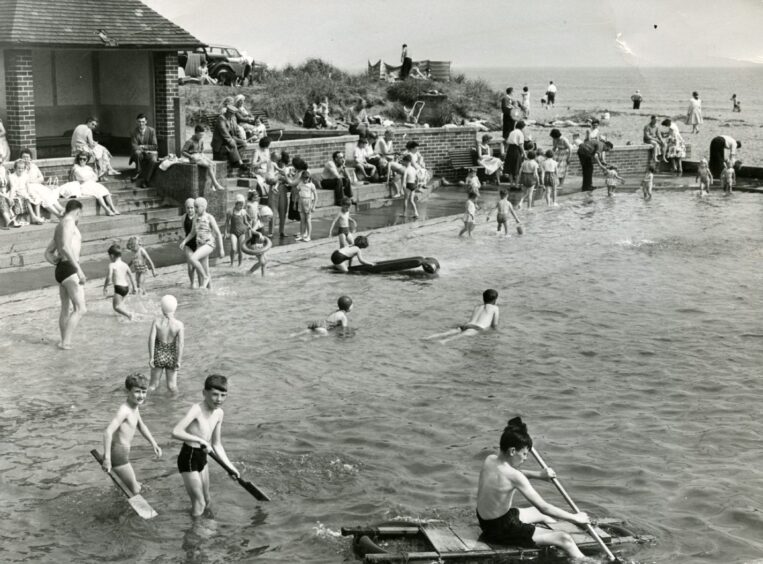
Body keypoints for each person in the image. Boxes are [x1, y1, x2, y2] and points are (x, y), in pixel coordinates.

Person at [475, 417, 590, 559]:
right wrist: (575, 518)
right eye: (524, 454)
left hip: (487, 522)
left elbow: (508, 475)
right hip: (501, 531)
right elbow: (544, 507)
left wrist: (539, 475)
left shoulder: (490, 460)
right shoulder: (515, 476)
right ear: (512, 451)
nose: (525, 458)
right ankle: (586, 558)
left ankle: (551, 538)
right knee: (564, 539)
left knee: (540, 515)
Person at [171, 374, 239, 517]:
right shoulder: (196, 409)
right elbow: (176, 432)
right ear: (204, 393)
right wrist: (200, 440)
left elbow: (217, 444)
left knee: (207, 500)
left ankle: (203, 523)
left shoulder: (219, 413)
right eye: (214, 394)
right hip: (188, 457)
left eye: (223, 395)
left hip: (203, 456)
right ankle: (195, 535)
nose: (219, 399)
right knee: (199, 502)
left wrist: (230, 468)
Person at [101, 373, 162, 497]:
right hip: (118, 455)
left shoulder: (134, 406)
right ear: (127, 391)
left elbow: (141, 425)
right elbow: (107, 432)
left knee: (123, 488)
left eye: (144, 392)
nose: (141, 396)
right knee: (135, 490)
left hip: (120, 452)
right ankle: (133, 509)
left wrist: (153, 443)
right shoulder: (125, 410)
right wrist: (107, 459)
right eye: (137, 392)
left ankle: (118, 507)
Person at [44, 199, 86, 349]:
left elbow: (47, 253)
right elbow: (66, 246)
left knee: (65, 308)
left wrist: (56, 261)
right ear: (77, 212)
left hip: (62, 269)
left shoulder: (59, 225)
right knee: (81, 309)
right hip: (70, 268)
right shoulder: (69, 222)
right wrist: (78, 269)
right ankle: (66, 343)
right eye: (80, 215)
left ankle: (63, 340)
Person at [179, 197, 225, 289]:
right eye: (194, 207)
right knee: (205, 269)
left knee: (192, 259)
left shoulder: (209, 217)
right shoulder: (195, 218)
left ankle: (205, 277)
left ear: (203, 207)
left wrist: (221, 249)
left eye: (196, 207)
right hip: (199, 245)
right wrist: (184, 242)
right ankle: (210, 290)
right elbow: (192, 233)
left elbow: (218, 234)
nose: (195, 209)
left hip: (208, 244)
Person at [424, 288, 500, 343]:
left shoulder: (477, 307)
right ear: (495, 300)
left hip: (466, 325)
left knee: (447, 333)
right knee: (458, 337)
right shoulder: (495, 308)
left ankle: (428, 337)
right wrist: (496, 334)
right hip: (477, 328)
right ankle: (443, 341)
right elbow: (494, 325)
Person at [148, 295, 184, 393]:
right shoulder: (179, 325)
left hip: (158, 354)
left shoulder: (156, 322)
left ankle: (146, 405)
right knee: (172, 386)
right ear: (175, 308)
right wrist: (179, 361)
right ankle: (176, 405)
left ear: (162, 308)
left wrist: (151, 357)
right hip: (171, 356)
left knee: (153, 385)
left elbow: (151, 339)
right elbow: (180, 344)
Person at [18, 149, 65, 218]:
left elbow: (41, 178)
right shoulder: (20, 168)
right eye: (24, 157)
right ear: (21, 158)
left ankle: (61, 210)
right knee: (44, 198)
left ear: (30, 158)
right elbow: (21, 180)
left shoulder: (34, 166)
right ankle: (59, 214)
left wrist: (33, 181)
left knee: (48, 195)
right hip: (28, 188)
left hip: (37, 186)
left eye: (27, 157)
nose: (26, 159)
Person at [181, 125, 225, 192]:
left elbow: (201, 149)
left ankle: (212, 185)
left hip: (200, 155)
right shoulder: (190, 141)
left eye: (202, 135)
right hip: (194, 157)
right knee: (209, 165)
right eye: (200, 135)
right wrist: (190, 156)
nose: (201, 137)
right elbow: (183, 151)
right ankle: (216, 184)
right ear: (195, 133)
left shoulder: (201, 140)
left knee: (213, 164)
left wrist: (202, 154)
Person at [8, 159, 46, 225]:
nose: (20, 170)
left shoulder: (25, 175)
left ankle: (38, 217)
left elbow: (27, 186)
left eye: (22, 168)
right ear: (15, 168)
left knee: (36, 198)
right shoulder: (12, 176)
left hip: (24, 192)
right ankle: (33, 216)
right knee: (27, 198)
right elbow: (13, 188)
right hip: (16, 192)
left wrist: (30, 193)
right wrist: (10, 198)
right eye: (19, 168)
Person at [103, 244, 135, 320]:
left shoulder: (112, 265)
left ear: (112, 256)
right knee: (120, 305)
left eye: (109, 256)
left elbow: (109, 277)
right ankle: (122, 317)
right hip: (126, 288)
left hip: (119, 288)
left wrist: (105, 287)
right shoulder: (125, 265)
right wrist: (134, 287)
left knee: (116, 307)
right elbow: (131, 276)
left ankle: (129, 315)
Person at [212, 104, 246, 171]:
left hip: (231, 137)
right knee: (232, 145)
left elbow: (236, 129)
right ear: (227, 112)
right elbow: (223, 131)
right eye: (231, 113)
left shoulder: (233, 118)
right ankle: (239, 163)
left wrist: (240, 137)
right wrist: (230, 140)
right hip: (221, 140)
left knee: (243, 144)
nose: (232, 115)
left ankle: (236, 161)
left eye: (233, 114)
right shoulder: (221, 118)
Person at [130, 114, 158, 186]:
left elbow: (155, 146)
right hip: (140, 153)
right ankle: (138, 172)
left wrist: (143, 147)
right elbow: (134, 146)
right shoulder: (134, 132)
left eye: (143, 122)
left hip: (150, 153)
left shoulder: (151, 131)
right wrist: (141, 149)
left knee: (154, 160)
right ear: (137, 122)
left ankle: (146, 180)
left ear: (146, 122)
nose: (141, 124)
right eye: (139, 122)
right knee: (137, 153)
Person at [272, 151, 296, 237]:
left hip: (284, 190)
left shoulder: (288, 169)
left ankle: (281, 231)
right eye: (279, 161)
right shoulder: (273, 167)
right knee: (273, 212)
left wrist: (284, 178)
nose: (280, 163)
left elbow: (291, 181)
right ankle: (271, 232)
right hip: (274, 190)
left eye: (282, 162)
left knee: (283, 211)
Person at [376, 129, 405, 197]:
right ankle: (401, 192)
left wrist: (387, 180)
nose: (391, 138)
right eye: (390, 136)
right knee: (402, 182)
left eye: (392, 136)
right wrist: (394, 153)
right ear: (386, 135)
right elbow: (385, 152)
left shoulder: (389, 163)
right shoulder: (381, 141)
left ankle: (398, 193)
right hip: (404, 170)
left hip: (401, 172)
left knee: (393, 182)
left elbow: (389, 169)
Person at [224, 194, 251, 267]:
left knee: (240, 250)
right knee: (233, 248)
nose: (241, 206)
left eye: (242, 205)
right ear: (236, 203)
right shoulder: (230, 212)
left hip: (242, 232)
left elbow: (245, 221)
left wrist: (248, 225)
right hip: (233, 232)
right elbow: (226, 223)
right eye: (240, 204)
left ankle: (240, 264)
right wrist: (225, 232)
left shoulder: (243, 212)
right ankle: (232, 263)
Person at [181, 198, 203, 288]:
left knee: (197, 265)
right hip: (189, 244)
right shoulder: (183, 217)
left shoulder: (199, 217)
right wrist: (184, 240)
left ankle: (201, 284)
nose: (190, 210)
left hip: (198, 244)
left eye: (192, 208)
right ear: (185, 208)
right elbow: (183, 229)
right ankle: (192, 283)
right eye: (188, 208)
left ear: (195, 208)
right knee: (190, 266)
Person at [295, 170, 317, 242]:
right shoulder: (300, 184)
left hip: (308, 202)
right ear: (302, 178)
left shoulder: (311, 185)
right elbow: (297, 193)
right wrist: (295, 203)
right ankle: (302, 234)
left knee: (308, 220)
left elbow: (316, 196)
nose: (305, 179)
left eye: (307, 178)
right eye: (304, 178)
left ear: (309, 178)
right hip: (301, 201)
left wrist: (313, 206)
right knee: (302, 219)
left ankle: (308, 235)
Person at [0, 158, 22, 228]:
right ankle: (8, 220)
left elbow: (12, 186)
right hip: (1, 194)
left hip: (6, 193)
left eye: (1, 162)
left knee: (11, 199)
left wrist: (10, 197)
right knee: (2, 198)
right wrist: (7, 197)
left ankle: (12, 219)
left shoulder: (6, 171)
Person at [504, 121, 526, 187]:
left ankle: (511, 184)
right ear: (522, 127)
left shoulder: (512, 132)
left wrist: (506, 151)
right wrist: (524, 153)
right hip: (516, 150)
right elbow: (521, 145)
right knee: (517, 168)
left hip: (510, 150)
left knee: (510, 168)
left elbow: (507, 143)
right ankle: (516, 185)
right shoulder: (520, 133)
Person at [401, 154, 420, 219]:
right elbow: (417, 177)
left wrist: (403, 187)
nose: (403, 163)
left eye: (404, 161)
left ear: (406, 161)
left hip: (408, 185)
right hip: (413, 185)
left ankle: (404, 213)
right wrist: (417, 184)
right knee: (412, 200)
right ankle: (416, 213)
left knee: (406, 199)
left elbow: (404, 179)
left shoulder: (406, 170)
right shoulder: (413, 169)